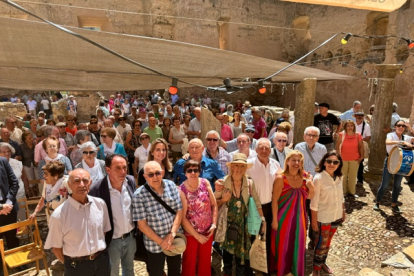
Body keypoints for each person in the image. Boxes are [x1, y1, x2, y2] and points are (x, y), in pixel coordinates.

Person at [44, 169, 111, 276]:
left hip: (102, 262)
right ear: (69, 185)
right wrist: (70, 265)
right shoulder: (59, 215)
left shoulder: (100, 205)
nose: (81, 185)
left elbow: (103, 232)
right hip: (77, 267)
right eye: (76, 181)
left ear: (90, 183)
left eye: (85, 180)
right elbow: (56, 248)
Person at [215, 153, 264, 276]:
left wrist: (263, 220)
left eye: (242, 166)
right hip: (227, 225)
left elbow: (257, 203)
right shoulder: (222, 182)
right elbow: (214, 204)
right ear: (232, 167)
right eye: (236, 165)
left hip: (244, 226)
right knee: (227, 253)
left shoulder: (249, 183)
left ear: (245, 168)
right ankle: (227, 273)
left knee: (242, 254)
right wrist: (224, 200)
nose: (239, 169)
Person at [133, 161, 183, 276]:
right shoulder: (139, 195)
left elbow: (179, 211)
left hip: (174, 239)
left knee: (175, 272)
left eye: (157, 173)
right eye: (150, 174)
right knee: (156, 273)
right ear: (145, 177)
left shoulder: (171, 185)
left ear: (162, 172)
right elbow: (142, 225)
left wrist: (172, 234)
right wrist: (162, 242)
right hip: (154, 244)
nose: (155, 177)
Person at [89, 154, 136, 276]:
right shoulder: (97, 189)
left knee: (129, 270)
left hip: (130, 238)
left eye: (125, 167)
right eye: (118, 168)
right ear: (108, 169)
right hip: (112, 241)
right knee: (112, 272)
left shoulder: (130, 181)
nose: (123, 171)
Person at [271, 150, 314, 276]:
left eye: (299, 161)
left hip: (300, 217)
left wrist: (310, 185)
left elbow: (310, 196)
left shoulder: (305, 177)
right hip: (283, 217)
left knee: (298, 243)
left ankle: (295, 269)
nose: (296, 163)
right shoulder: (281, 178)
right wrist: (274, 219)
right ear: (287, 162)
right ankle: (284, 269)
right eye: (293, 160)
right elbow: (275, 201)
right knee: (284, 243)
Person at [246, 138, 282, 273]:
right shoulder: (248, 165)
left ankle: (265, 266)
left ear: (271, 150)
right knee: (252, 237)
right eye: (261, 147)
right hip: (253, 207)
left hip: (270, 207)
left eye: (267, 148)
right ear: (255, 150)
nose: (264, 150)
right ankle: (250, 267)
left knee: (267, 238)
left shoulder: (275, 164)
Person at [178, 160, 218, 276]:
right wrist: (197, 236)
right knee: (189, 264)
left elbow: (214, 205)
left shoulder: (205, 183)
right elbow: (183, 218)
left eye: (195, 170)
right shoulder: (182, 190)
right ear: (185, 173)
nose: (193, 173)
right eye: (189, 170)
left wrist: (214, 224)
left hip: (207, 231)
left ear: (200, 171)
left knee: (205, 263)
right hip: (191, 234)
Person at [310, 152, 345, 276]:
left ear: (339, 164)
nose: (332, 164)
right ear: (324, 162)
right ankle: (316, 268)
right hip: (323, 217)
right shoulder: (318, 178)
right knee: (321, 244)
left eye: (335, 162)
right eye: (329, 161)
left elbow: (341, 196)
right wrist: (314, 221)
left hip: (336, 216)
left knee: (328, 243)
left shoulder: (339, 177)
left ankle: (323, 263)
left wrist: (343, 211)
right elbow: (314, 203)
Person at [294, 126, 326, 249]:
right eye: (309, 135)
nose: (311, 138)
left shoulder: (322, 148)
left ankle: (314, 240)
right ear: (304, 136)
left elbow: (323, 167)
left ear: (317, 138)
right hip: (302, 185)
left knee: (315, 213)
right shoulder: (298, 147)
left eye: (314, 136)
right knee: (302, 213)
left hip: (316, 185)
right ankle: (301, 237)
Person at [374, 120, 414, 213]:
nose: (401, 127)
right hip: (390, 162)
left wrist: (411, 128)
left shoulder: (407, 137)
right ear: (395, 126)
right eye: (399, 125)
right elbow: (387, 142)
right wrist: (403, 142)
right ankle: (377, 202)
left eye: (403, 126)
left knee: (397, 185)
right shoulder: (391, 135)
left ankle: (394, 204)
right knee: (385, 184)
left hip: (402, 163)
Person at [0, 143, 28, 221]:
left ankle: (24, 231)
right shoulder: (2, 162)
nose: (7, 153)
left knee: (21, 214)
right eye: (4, 152)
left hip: (19, 192)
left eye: (8, 151)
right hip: (5, 197)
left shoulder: (17, 163)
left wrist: (27, 189)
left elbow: (23, 177)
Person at [0, 156, 20, 262]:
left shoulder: (2, 161)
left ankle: (16, 261)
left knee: (12, 237)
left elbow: (14, 183)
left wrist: (8, 203)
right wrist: (1, 208)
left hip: (10, 208)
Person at [336, 120, 363, 198]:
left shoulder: (358, 135)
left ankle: (352, 192)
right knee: (343, 176)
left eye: (351, 126)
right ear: (345, 127)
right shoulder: (341, 135)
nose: (350, 127)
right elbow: (337, 147)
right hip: (343, 158)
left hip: (355, 159)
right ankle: (343, 192)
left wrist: (361, 157)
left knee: (353, 176)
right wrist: (338, 157)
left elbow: (361, 147)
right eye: (348, 126)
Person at [354, 111, 371, 184]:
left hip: (361, 145)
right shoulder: (352, 124)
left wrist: (360, 140)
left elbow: (368, 137)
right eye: (358, 115)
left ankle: (360, 179)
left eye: (361, 115)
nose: (359, 117)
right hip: (351, 145)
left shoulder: (366, 126)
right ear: (355, 116)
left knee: (360, 162)